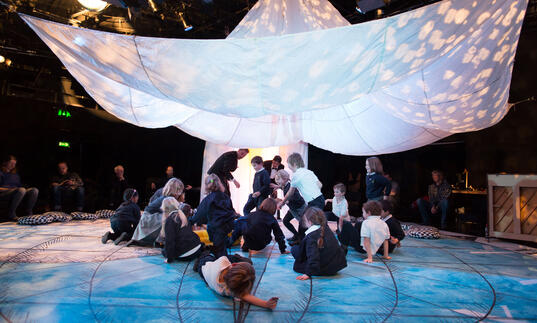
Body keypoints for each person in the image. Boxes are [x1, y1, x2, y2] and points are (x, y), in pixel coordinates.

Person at [193, 251, 279, 309]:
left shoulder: (224, 261)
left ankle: (203, 255)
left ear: (233, 265)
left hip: (204, 267)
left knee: (208, 255)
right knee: (247, 263)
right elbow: (247, 297)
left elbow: (223, 259)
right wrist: (265, 304)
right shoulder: (229, 290)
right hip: (206, 276)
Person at [291, 207, 347, 280]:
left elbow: (313, 257)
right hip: (336, 266)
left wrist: (308, 273)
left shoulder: (311, 236)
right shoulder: (326, 229)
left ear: (309, 221)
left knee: (294, 250)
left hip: (324, 269)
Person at [190, 174, 236, 258]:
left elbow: (199, 214)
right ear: (219, 184)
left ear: (207, 186)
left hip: (216, 228)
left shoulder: (209, 199)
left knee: (219, 251)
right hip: (226, 226)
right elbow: (231, 211)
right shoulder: (226, 197)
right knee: (221, 248)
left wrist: (190, 221)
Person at [129, 177, 184, 246]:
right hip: (149, 220)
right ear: (177, 190)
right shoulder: (169, 199)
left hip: (147, 219)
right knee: (172, 218)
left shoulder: (164, 196)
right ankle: (162, 241)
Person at [160, 197, 203, 262]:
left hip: (186, 254)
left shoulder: (170, 219)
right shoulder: (182, 215)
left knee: (164, 251)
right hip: (197, 248)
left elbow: (170, 241)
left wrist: (169, 259)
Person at [0, 155, 39, 220]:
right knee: (21, 190)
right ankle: (11, 213)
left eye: (14, 164)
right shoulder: (1, 173)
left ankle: (28, 213)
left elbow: (19, 186)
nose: (13, 165)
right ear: (5, 163)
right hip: (5, 193)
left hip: (17, 191)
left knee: (34, 190)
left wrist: (21, 190)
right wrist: (12, 190)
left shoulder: (15, 174)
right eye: (11, 163)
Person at [274, 170, 306, 244]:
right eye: (277, 182)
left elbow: (297, 198)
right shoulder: (285, 185)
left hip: (299, 208)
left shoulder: (291, 186)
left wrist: (285, 202)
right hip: (292, 208)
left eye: (279, 181)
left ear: (285, 179)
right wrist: (278, 187)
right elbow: (283, 188)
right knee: (285, 221)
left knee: (302, 224)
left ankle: (300, 240)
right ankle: (296, 235)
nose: (278, 183)